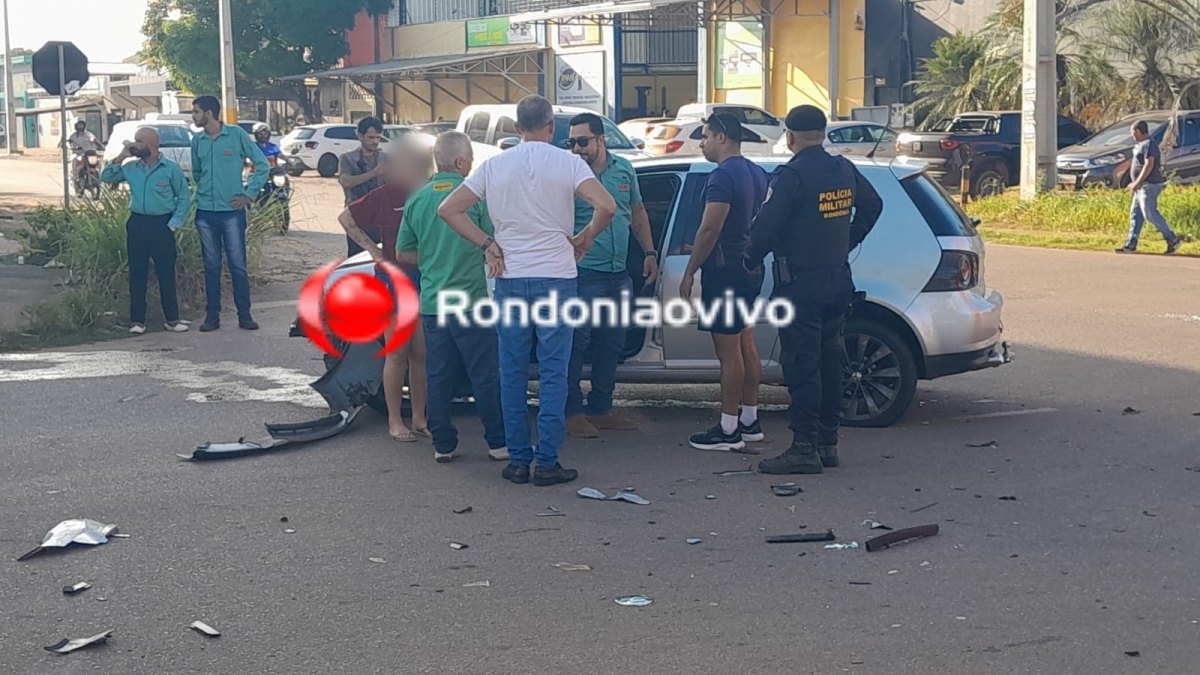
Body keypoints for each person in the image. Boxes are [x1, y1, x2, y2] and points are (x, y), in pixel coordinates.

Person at [437, 94, 616, 488]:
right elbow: (607, 206)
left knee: (512, 371)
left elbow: (448, 209)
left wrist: (488, 243)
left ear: (517, 128)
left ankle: (518, 460)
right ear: (551, 127)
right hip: (557, 277)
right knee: (554, 373)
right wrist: (585, 237)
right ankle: (547, 461)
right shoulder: (569, 162)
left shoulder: (494, 165)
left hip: (511, 277)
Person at [747, 105, 882, 475]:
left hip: (801, 288)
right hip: (837, 281)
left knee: (802, 366)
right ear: (823, 134)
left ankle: (803, 448)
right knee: (830, 362)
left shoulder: (791, 176)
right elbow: (873, 205)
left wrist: (749, 258)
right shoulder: (843, 169)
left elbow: (766, 229)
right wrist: (848, 241)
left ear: (789, 136)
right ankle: (827, 442)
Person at [396, 131, 509, 464]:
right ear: (460, 161)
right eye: (470, 158)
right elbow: (495, 242)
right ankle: (497, 442)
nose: (472, 164)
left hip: (434, 303)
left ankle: (443, 444)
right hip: (472, 300)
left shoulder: (417, 200)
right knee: (484, 375)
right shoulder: (473, 198)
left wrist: (433, 260)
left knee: (439, 375)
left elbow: (403, 253)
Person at [563, 112, 659, 439]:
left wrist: (649, 252)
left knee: (612, 342)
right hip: (583, 272)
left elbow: (637, 211)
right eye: (571, 142)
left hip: (619, 273)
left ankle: (600, 408)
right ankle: (572, 411)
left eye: (582, 141)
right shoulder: (569, 175)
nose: (576, 149)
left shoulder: (624, 169)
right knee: (577, 343)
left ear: (601, 140)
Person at [680, 113, 769, 452]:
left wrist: (690, 270)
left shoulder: (721, 176)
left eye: (704, 136)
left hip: (725, 273)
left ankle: (728, 430)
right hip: (749, 268)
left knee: (728, 352)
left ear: (720, 137)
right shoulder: (756, 173)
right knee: (747, 344)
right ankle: (750, 420)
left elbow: (710, 228)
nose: (701, 144)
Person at [338, 136, 430, 444]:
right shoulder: (385, 195)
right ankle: (395, 420)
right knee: (397, 352)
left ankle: (419, 418)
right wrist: (373, 250)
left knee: (421, 353)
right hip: (393, 282)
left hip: (425, 280)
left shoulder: (431, 193)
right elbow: (346, 218)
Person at [100, 126, 192, 335]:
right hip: (138, 223)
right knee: (137, 272)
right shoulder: (131, 167)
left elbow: (183, 197)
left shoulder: (170, 169)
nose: (135, 144)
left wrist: (175, 223)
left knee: (165, 273)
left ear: (152, 144)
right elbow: (106, 177)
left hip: (162, 224)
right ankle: (137, 321)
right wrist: (121, 156)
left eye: (139, 141)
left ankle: (172, 319)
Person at [190, 95, 270, 332]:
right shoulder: (197, 141)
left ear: (209, 113)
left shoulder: (236, 135)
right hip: (205, 211)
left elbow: (262, 164)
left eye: (196, 112)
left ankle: (244, 315)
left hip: (232, 212)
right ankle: (212, 316)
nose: (193, 116)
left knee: (237, 265)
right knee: (211, 265)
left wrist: (249, 194)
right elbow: (197, 172)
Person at [1116, 120, 1182, 255]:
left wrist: (1137, 182)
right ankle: (1131, 243)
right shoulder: (1141, 145)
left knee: (1149, 213)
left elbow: (1149, 164)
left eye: (1132, 132)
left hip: (1149, 185)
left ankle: (1173, 239)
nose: (1132, 135)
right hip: (1141, 186)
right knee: (1135, 215)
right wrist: (1134, 183)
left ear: (1138, 131)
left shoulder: (1149, 144)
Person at [339, 117, 389, 257]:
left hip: (381, 219)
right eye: (371, 137)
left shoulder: (386, 158)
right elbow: (346, 182)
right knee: (358, 259)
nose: (375, 141)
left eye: (378, 137)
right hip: (357, 218)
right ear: (360, 136)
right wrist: (374, 173)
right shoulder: (348, 158)